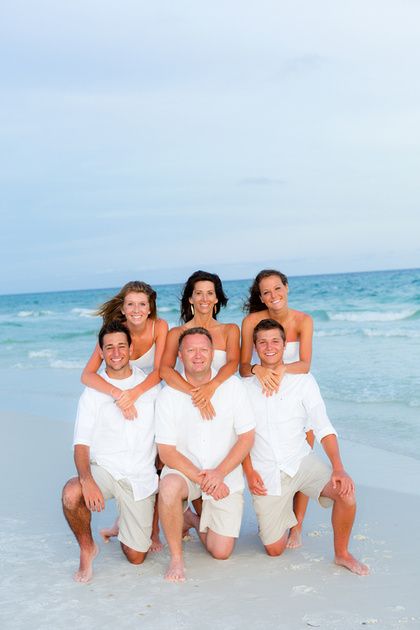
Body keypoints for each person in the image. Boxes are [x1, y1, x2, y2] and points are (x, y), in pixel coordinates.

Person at [242, 319, 369, 575]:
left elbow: (323, 426)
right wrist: (249, 471)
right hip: (267, 472)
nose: (269, 347)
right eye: (263, 342)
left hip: (300, 462)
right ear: (255, 348)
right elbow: (239, 437)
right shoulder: (243, 387)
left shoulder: (304, 381)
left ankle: (342, 554)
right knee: (275, 549)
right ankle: (279, 515)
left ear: (285, 345)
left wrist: (338, 467)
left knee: (346, 493)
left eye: (275, 341)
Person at [62, 321, 160, 583]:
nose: (116, 353)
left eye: (121, 346)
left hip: (139, 477)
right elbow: (81, 444)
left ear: (131, 348)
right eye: (109, 348)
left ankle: (123, 526)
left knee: (136, 556)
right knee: (72, 493)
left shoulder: (150, 387)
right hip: (104, 470)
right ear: (101, 352)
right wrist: (86, 479)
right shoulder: (93, 392)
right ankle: (87, 547)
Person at [156, 327, 255, 582]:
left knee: (220, 552)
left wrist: (219, 474)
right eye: (190, 350)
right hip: (187, 473)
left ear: (212, 353)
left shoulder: (232, 387)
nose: (197, 355)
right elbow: (166, 451)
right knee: (168, 487)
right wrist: (204, 480)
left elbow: (247, 438)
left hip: (225, 475)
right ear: (180, 355)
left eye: (203, 349)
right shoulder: (168, 395)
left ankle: (188, 516)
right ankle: (177, 558)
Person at [81, 280, 168, 551]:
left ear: (150, 306)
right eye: (130, 304)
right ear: (123, 306)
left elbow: (159, 371)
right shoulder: (115, 331)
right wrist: (119, 394)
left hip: (148, 394)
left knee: (156, 463)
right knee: (128, 456)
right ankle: (128, 524)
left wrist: (134, 394)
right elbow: (87, 375)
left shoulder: (159, 327)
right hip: (121, 395)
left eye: (142, 304)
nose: (136, 309)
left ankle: (150, 532)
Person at [240, 269, 313, 548]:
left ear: (286, 287)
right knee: (265, 455)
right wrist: (259, 369)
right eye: (266, 292)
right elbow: (243, 367)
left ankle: (297, 525)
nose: (273, 296)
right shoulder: (252, 322)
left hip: (296, 395)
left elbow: (305, 364)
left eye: (277, 289)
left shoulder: (303, 320)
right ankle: (272, 512)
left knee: (302, 457)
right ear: (260, 296)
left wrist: (280, 370)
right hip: (263, 397)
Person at [160, 270, 240, 420]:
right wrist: (196, 394)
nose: (204, 298)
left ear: (216, 298)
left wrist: (211, 387)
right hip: (188, 400)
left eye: (210, 293)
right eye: (198, 293)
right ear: (191, 298)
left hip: (222, 399)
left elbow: (233, 363)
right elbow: (165, 370)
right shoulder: (177, 333)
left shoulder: (230, 330)